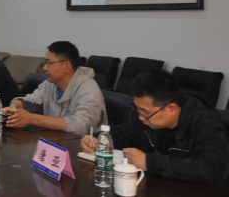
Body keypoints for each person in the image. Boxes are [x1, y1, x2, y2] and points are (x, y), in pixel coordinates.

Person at [80, 69, 229, 190]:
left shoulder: (205, 122)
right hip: (158, 187)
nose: (140, 117)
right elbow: (122, 134)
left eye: (146, 112)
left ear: (171, 109)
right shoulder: (147, 117)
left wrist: (149, 162)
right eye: (138, 110)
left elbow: (213, 169)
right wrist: (97, 139)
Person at [3, 41, 106, 136]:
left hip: (83, 146)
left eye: (49, 63)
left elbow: (80, 125)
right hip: (54, 142)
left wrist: (33, 119)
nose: (45, 68)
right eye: (45, 63)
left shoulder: (89, 89)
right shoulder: (49, 84)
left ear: (66, 65)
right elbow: (30, 101)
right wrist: (14, 107)